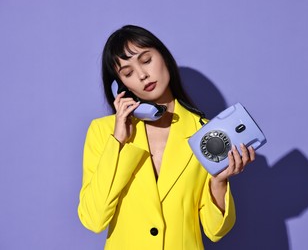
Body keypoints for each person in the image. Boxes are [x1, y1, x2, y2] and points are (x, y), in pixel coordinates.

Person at [77, 25, 256, 250]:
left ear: (163, 56)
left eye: (146, 60)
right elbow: (93, 219)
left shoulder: (205, 133)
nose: (142, 75)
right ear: (121, 86)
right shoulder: (103, 132)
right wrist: (118, 142)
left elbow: (215, 230)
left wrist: (219, 181)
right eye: (128, 73)